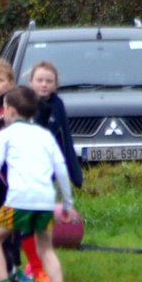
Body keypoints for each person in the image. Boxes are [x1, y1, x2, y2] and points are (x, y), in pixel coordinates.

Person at [0, 86, 79, 282]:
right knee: (46, 249)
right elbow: (61, 169)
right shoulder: (45, 136)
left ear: (11, 111)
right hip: (45, 203)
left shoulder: (4, 135)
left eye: (4, 108)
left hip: (17, 202)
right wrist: (67, 205)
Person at [29, 60, 84, 189]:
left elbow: (66, 140)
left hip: (53, 168)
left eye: (49, 81)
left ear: (56, 85)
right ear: (31, 82)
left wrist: (76, 176)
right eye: (39, 80)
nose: (44, 85)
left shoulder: (58, 105)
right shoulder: (24, 103)